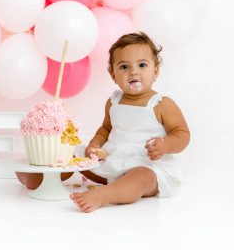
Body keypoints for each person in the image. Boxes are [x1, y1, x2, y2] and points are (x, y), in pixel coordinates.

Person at [69, 32, 190, 212]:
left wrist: (165, 145)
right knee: (76, 157)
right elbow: (106, 129)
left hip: (147, 163)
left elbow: (182, 133)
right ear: (113, 75)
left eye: (142, 65)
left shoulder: (161, 104)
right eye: (124, 66)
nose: (133, 72)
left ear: (155, 72)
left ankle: (105, 194)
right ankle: (47, 176)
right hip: (116, 159)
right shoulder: (114, 102)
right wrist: (95, 145)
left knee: (141, 177)